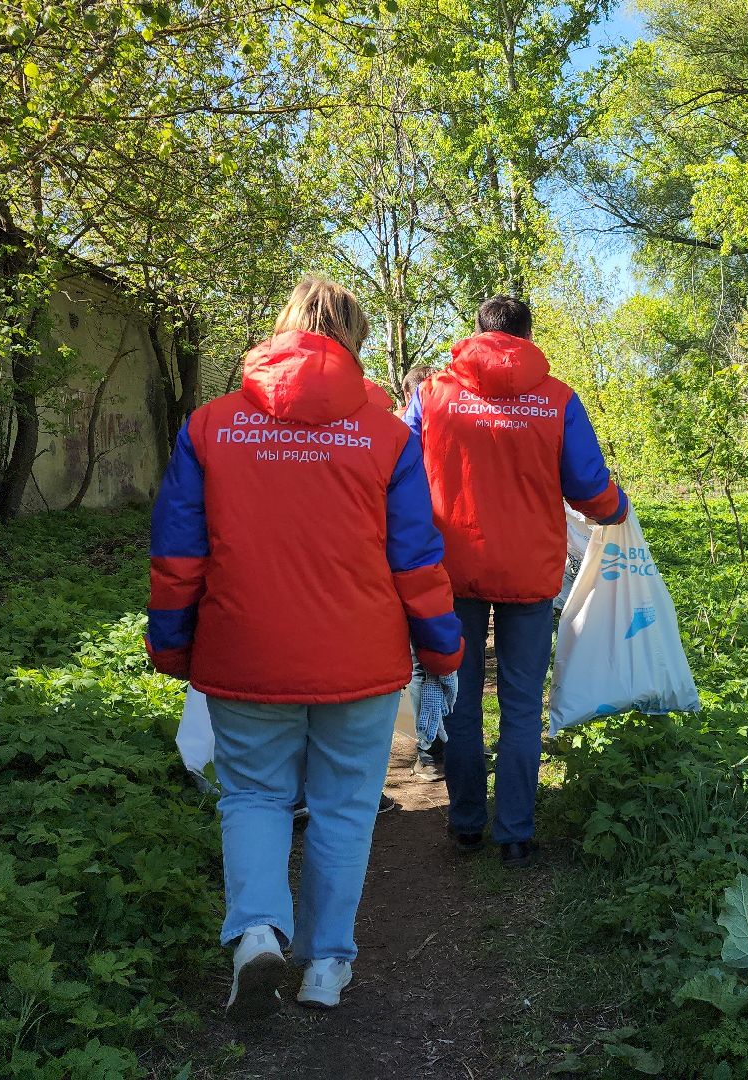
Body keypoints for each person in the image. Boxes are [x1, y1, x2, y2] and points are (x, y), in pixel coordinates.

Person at [147, 276, 463, 1018]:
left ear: (279, 330)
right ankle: (325, 965)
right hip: (359, 661)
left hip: (243, 654)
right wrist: (443, 650)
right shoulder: (387, 437)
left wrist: (171, 645)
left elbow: (177, 556)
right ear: (353, 340)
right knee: (345, 809)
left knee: (253, 795)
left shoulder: (210, 426)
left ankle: (257, 930)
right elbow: (416, 561)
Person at [403, 296, 627, 869]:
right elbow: (588, 486)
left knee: (462, 696)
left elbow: (398, 472)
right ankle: (516, 835)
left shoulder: (431, 396)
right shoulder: (556, 400)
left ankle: (466, 824)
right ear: (526, 338)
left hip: (451, 571)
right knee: (523, 704)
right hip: (530, 574)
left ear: (478, 333)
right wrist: (617, 509)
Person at [400, 363, 447, 784]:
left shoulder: (397, 435)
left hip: (415, 554)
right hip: (444, 552)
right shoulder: (452, 424)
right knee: (445, 658)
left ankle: (430, 750)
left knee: (421, 662)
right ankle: (438, 746)